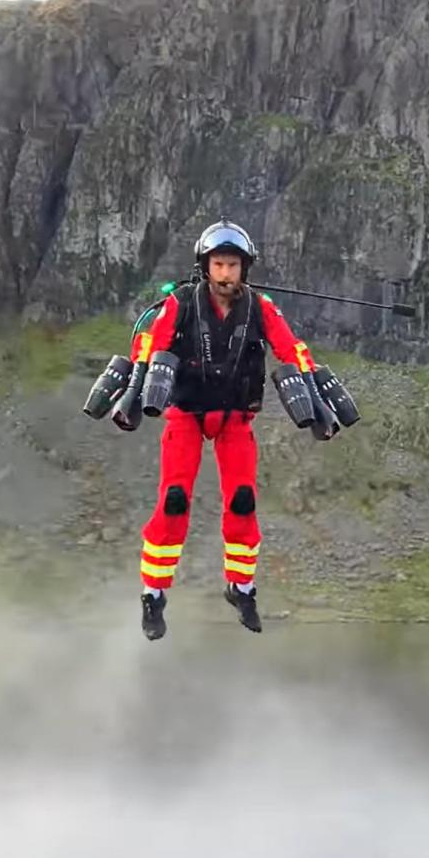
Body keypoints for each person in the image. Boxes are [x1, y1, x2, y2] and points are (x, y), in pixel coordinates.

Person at [124, 219, 329, 641]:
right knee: (174, 501)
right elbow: (149, 342)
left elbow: (291, 348)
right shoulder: (180, 303)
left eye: (233, 265)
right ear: (206, 266)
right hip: (186, 414)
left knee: (242, 500)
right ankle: (154, 595)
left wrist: (312, 384)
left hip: (235, 417)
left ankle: (242, 588)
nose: (225, 273)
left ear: (244, 268)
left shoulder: (260, 308)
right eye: (218, 264)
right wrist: (137, 383)